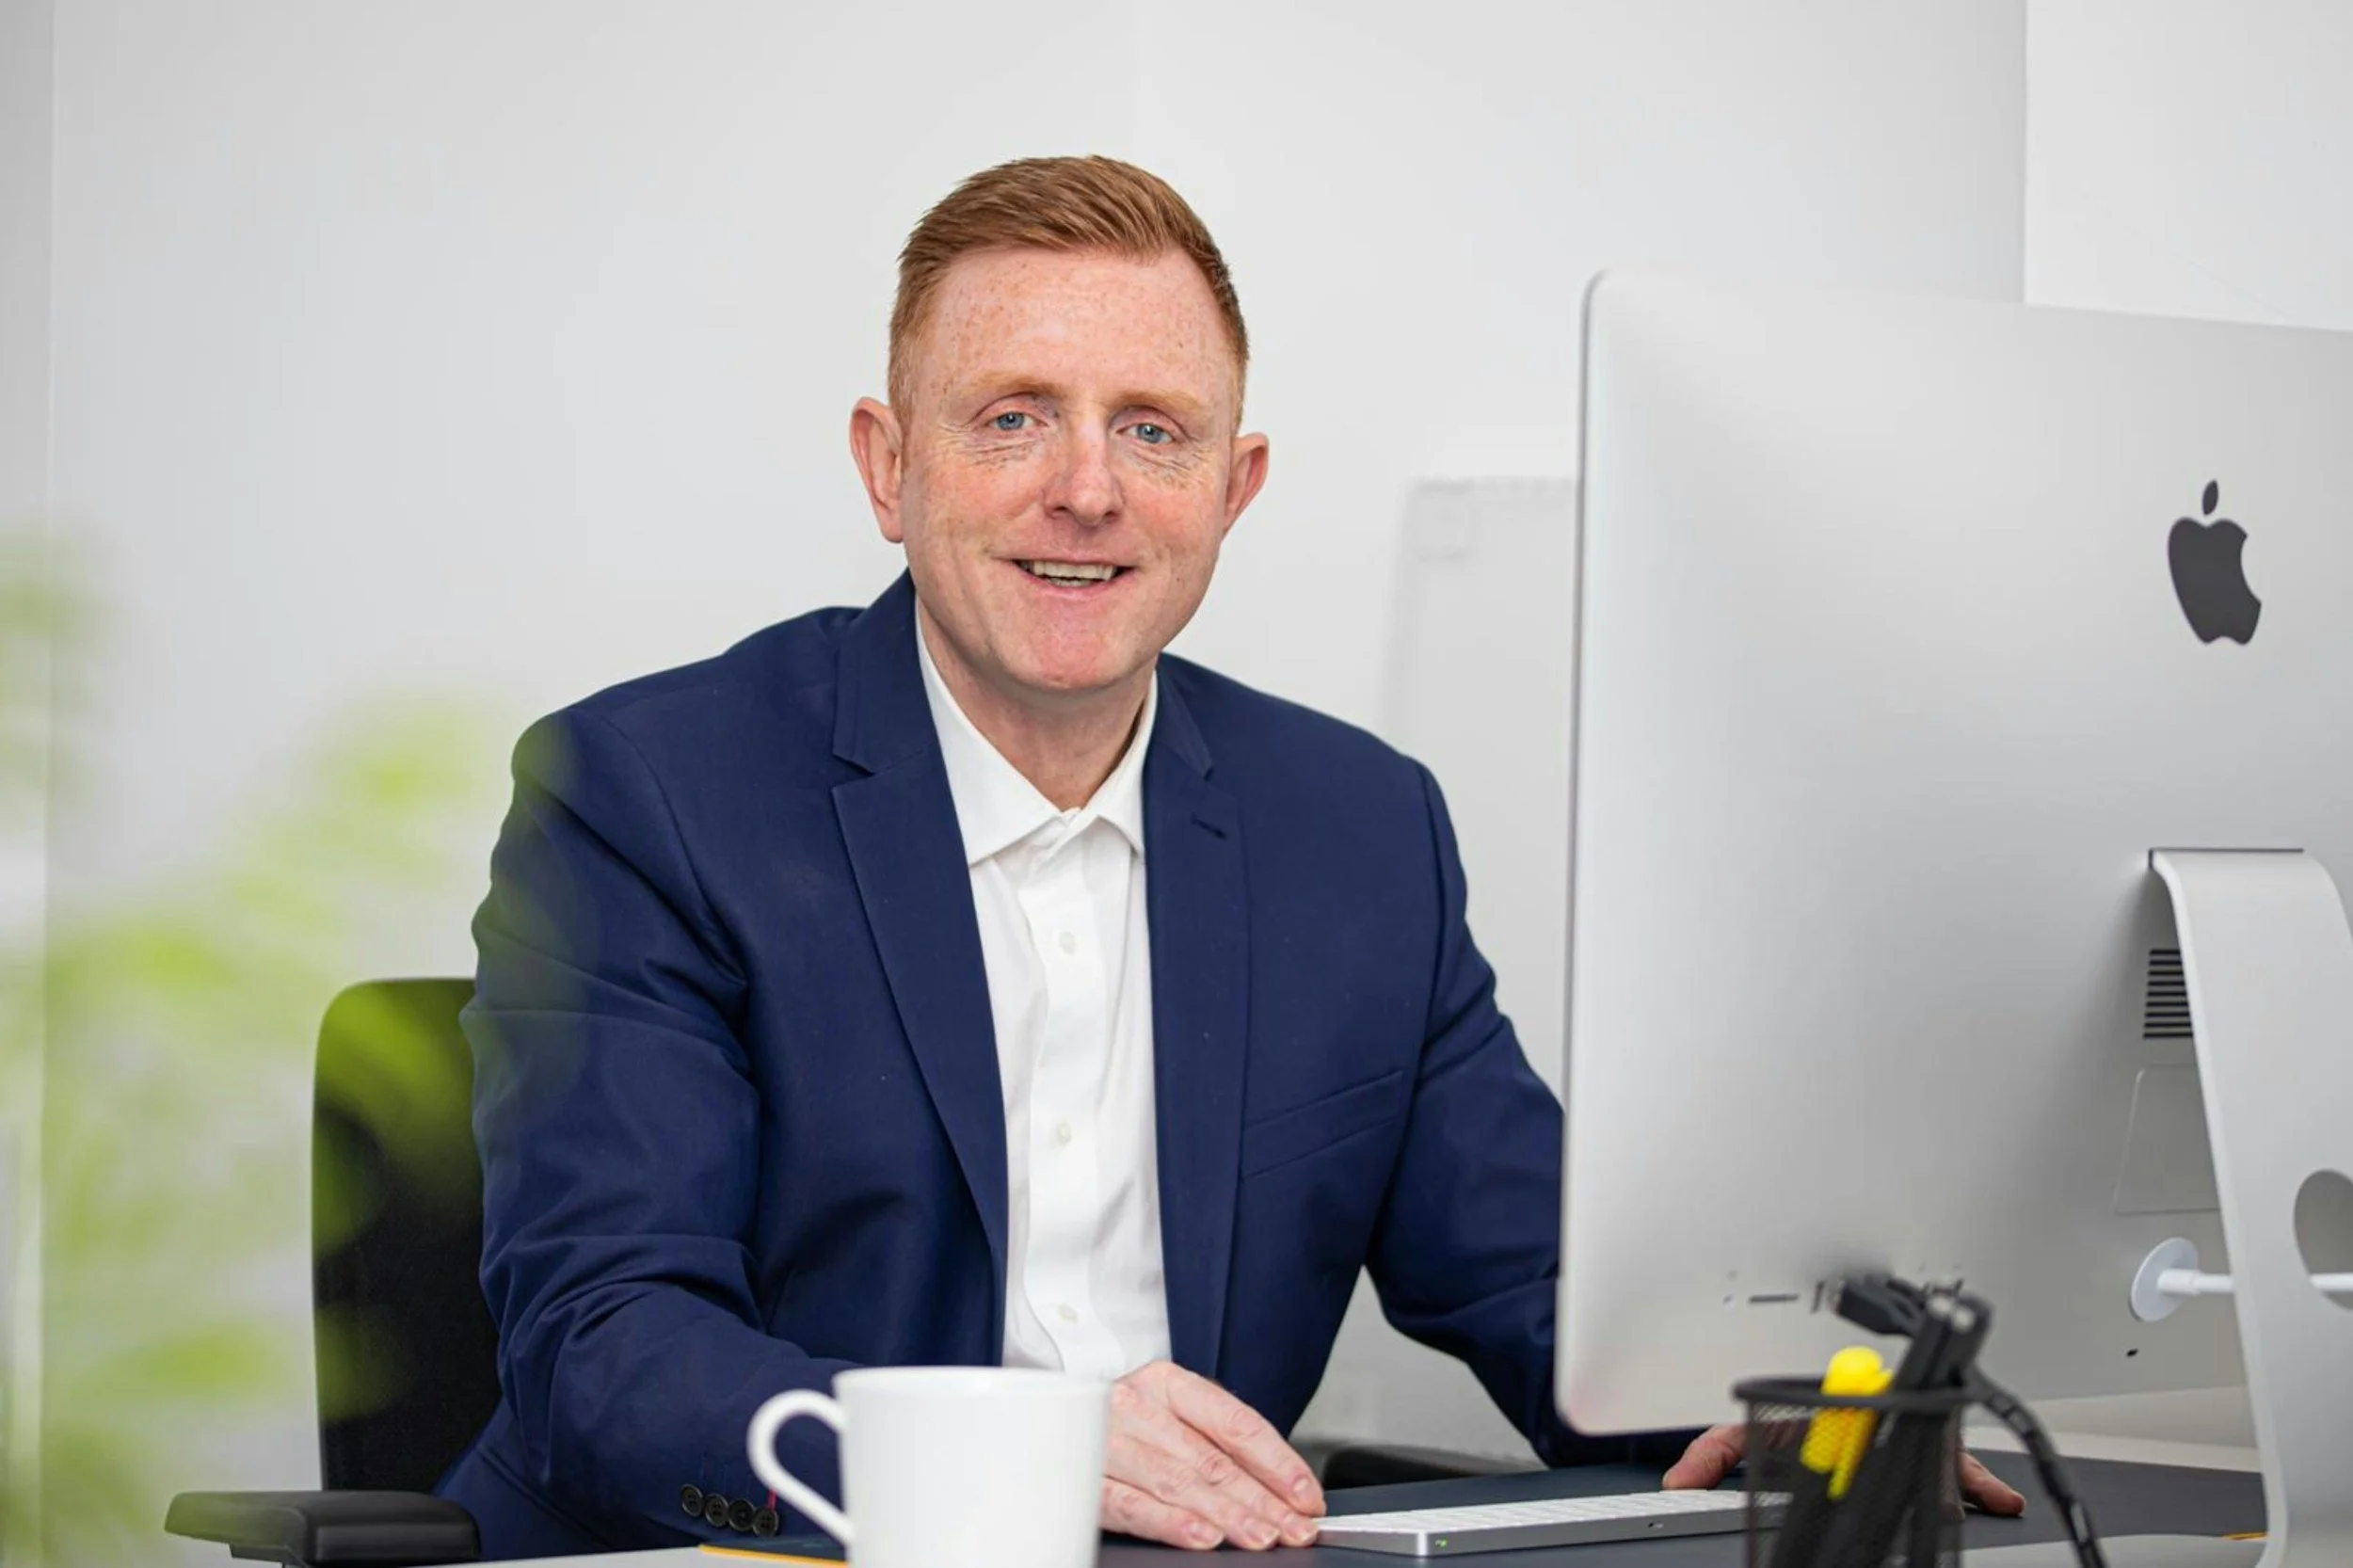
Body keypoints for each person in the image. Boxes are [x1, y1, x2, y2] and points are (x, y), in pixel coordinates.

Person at [437, 155, 2023, 1560]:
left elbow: (1537, 1279)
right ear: (888, 466)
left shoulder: (1356, 827)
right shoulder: (647, 794)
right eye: (1012, 419)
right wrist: (1027, 1459)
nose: (1088, 487)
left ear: (1232, 488)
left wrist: (1756, 1416)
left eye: (1153, 428)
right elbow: (608, 1345)